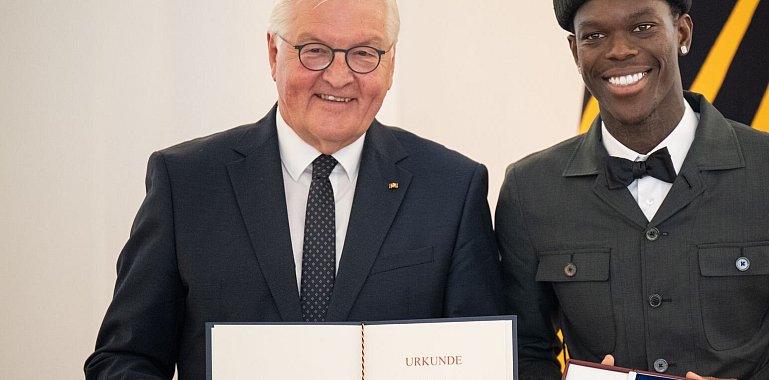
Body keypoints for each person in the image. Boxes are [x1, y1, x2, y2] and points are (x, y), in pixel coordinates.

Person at [84, 0, 502, 378]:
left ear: (390, 64)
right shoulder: (186, 183)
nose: (339, 77)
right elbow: (123, 359)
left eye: (364, 53)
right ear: (273, 53)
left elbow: (485, 363)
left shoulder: (452, 188)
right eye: (315, 50)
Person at [497, 0, 769, 378]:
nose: (620, 50)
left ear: (682, 32)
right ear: (575, 52)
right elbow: (524, 351)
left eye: (643, 27)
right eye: (594, 35)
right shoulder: (529, 191)